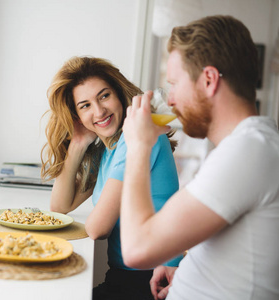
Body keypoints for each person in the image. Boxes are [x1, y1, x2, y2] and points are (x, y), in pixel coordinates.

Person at [120, 15, 279, 299]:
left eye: (174, 84)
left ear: (208, 79)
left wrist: (138, 146)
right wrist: (189, 268)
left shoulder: (249, 151)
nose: (169, 100)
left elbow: (136, 250)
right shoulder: (246, 146)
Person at [41, 56, 183, 300]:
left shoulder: (138, 139)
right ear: (75, 115)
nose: (99, 111)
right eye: (84, 106)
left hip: (150, 281)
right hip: (126, 276)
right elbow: (60, 206)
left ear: (119, 94)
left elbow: (97, 229)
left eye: (104, 96)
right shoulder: (110, 148)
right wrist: (78, 142)